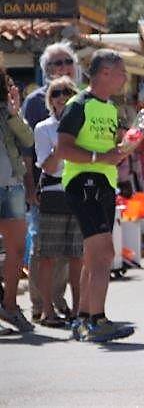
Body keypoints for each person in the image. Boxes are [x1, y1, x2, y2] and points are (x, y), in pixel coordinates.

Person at [55, 50, 143, 342]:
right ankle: (98, 320)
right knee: (104, 252)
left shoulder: (110, 108)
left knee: (95, 254)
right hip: (83, 181)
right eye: (121, 72)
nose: (124, 78)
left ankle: (82, 320)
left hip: (105, 183)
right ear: (104, 72)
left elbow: (114, 153)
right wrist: (97, 157)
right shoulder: (78, 105)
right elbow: (63, 149)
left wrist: (136, 135)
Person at [22, 40, 79, 322]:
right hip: (44, 187)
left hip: (75, 188)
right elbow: (27, 151)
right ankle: (38, 304)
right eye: (57, 63)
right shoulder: (35, 103)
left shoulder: (82, 101)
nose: (64, 67)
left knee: (68, 250)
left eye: (68, 61)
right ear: (46, 70)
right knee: (42, 249)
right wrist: (31, 188)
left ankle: (58, 300)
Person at [32, 76, 83, 327]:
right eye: (55, 93)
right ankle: (47, 310)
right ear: (49, 100)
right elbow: (49, 167)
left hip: (79, 192)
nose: (61, 97)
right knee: (48, 256)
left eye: (66, 92)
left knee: (77, 255)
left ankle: (77, 309)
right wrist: (63, 142)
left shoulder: (83, 124)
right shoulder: (43, 128)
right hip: (53, 194)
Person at [0, 68, 36, 333]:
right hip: (11, 187)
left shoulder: (8, 109)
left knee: (15, 253)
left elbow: (28, 139)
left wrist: (14, 115)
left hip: (12, 185)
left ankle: (10, 306)